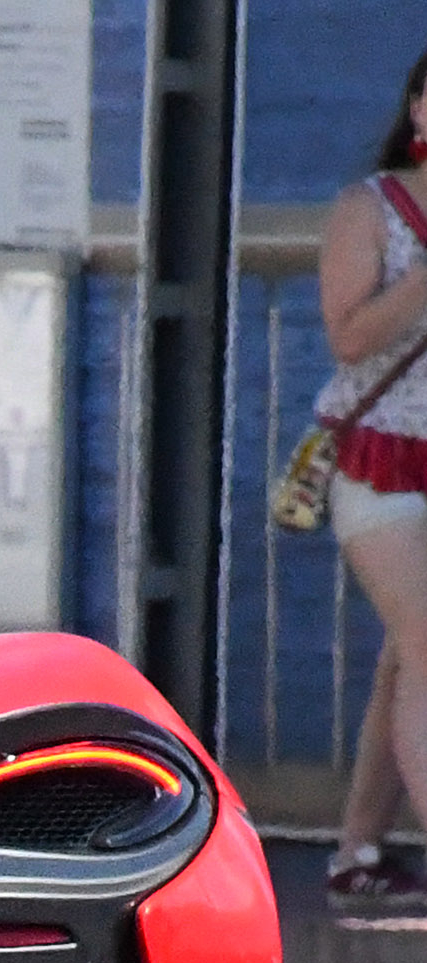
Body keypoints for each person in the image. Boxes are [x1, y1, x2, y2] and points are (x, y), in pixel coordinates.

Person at [323, 47, 427, 903]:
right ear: (418, 109)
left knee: (407, 661)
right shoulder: (370, 208)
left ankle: (358, 848)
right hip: (385, 459)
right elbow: (351, 339)